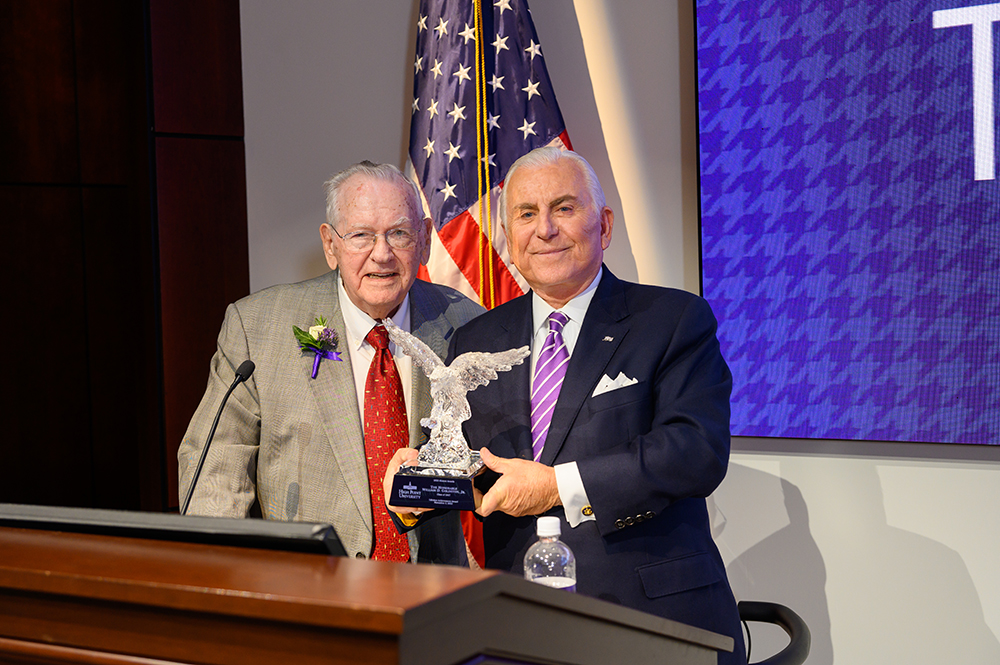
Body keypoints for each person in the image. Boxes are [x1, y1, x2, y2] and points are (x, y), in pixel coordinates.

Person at [386, 147, 746, 663]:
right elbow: (473, 464)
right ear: (508, 239)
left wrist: (557, 487)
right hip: (521, 629)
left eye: (564, 208)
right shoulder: (476, 338)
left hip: (654, 623)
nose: (545, 229)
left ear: (604, 224)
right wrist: (420, 485)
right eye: (526, 214)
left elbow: (695, 451)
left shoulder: (672, 319)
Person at [178, 161, 483, 563]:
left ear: (424, 239)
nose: (382, 254)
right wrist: (221, 576)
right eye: (361, 236)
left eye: (399, 233)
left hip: (432, 595)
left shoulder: (468, 325)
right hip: (308, 590)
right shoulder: (258, 327)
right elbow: (217, 467)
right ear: (330, 245)